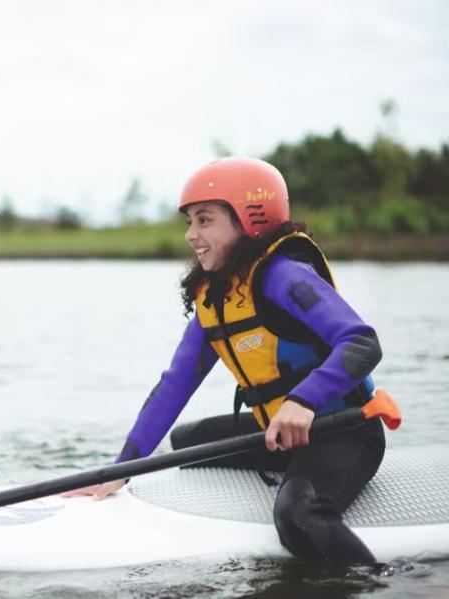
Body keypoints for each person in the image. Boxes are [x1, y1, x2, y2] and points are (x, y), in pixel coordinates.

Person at [63, 156, 386, 565]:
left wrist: (303, 401)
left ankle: (389, 582)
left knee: (297, 516)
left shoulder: (284, 276)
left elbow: (361, 342)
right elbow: (174, 384)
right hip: (278, 434)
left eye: (204, 220)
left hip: (344, 430)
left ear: (249, 218)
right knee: (187, 441)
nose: (190, 235)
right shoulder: (217, 298)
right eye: (189, 223)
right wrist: (121, 468)